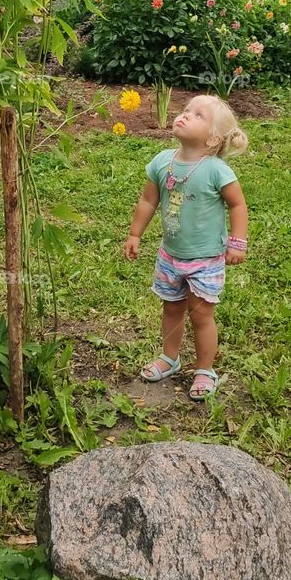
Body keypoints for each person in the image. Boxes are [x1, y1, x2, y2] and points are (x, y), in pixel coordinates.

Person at [123, 93, 249, 400]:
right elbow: (148, 200)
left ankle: (205, 369)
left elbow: (238, 205)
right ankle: (170, 357)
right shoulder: (162, 161)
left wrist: (238, 242)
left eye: (197, 115)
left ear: (212, 139)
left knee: (201, 314)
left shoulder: (216, 170)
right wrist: (135, 234)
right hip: (170, 254)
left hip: (205, 259)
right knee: (172, 308)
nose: (185, 115)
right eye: (186, 110)